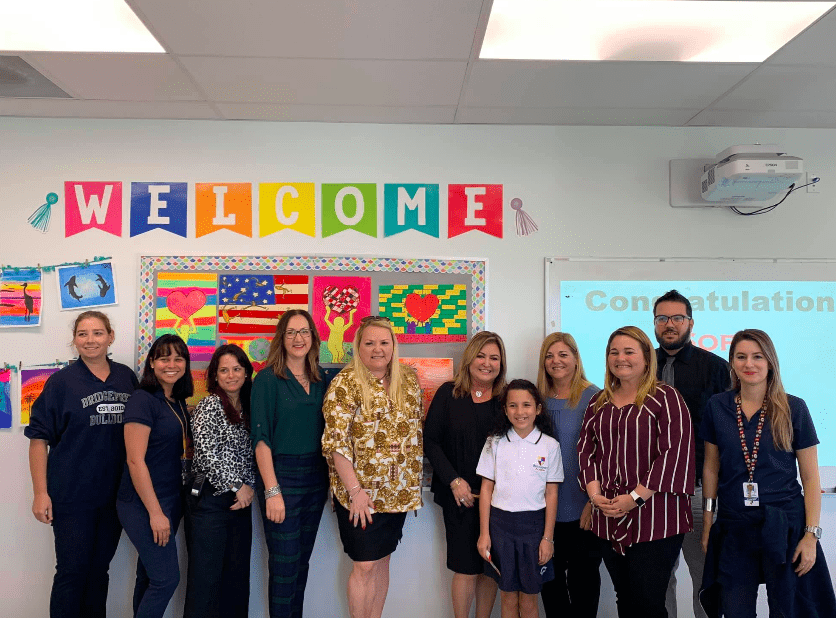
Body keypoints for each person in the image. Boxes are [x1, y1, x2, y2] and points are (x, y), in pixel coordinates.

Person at [699, 329, 836, 617]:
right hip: (735, 525)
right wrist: (708, 523)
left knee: (788, 610)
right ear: (732, 362)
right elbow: (711, 467)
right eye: (741, 357)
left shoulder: (794, 407)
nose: (749, 364)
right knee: (734, 609)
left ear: (770, 362)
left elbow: (811, 479)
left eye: (757, 357)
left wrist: (811, 536)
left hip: (784, 524)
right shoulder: (717, 406)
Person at [25, 311, 138, 618]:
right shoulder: (61, 383)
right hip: (71, 495)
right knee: (72, 572)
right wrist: (40, 493)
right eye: (83, 334)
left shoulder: (126, 378)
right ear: (74, 340)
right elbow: (38, 440)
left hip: (114, 496)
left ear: (110, 337)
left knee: (99, 571)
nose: (90, 340)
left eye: (98, 333)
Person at [578, 326, 694, 618]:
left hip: (656, 518)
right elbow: (586, 450)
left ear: (646, 357)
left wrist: (635, 498)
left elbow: (674, 453)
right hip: (608, 516)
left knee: (648, 603)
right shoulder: (598, 401)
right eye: (614, 352)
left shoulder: (666, 398)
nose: (621, 358)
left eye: (629, 351)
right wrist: (594, 496)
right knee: (625, 600)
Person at [321, 316, 423, 618]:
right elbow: (336, 442)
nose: (377, 349)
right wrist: (355, 492)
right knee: (364, 564)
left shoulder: (409, 380)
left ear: (393, 346)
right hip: (359, 495)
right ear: (358, 347)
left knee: (382, 560)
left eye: (384, 342)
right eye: (369, 343)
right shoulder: (345, 383)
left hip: (398, 492)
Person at [653, 289, 731, 618]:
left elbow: (728, 433)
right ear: (654, 323)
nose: (669, 324)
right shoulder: (640, 366)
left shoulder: (716, 368)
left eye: (677, 318)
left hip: (698, 491)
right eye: (662, 318)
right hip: (652, 495)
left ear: (690, 323)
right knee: (658, 581)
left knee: (705, 580)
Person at [252, 310, 331, 618]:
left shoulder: (322, 378)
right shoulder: (267, 379)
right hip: (281, 476)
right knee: (284, 564)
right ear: (281, 339)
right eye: (291, 332)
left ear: (313, 338)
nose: (298, 338)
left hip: (316, 478)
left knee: (301, 563)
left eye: (304, 332)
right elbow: (261, 439)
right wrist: (272, 490)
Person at [424, 331, 507, 618]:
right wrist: (454, 481)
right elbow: (431, 441)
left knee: (489, 566)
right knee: (465, 568)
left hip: (497, 499)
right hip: (459, 496)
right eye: (481, 356)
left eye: (494, 358)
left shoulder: (506, 400)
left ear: (501, 364)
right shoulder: (448, 393)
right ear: (469, 359)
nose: (487, 363)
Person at [117, 334, 193, 618]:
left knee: (149, 577)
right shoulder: (142, 400)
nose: (171, 364)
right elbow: (135, 460)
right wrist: (155, 513)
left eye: (178, 358)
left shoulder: (176, 401)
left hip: (171, 498)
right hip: (142, 502)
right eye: (164, 358)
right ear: (151, 362)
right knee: (166, 579)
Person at [476, 379, 562, 618]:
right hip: (500, 527)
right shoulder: (495, 442)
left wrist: (547, 538)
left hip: (533, 528)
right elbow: (486, 489)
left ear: (538, 408)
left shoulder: (550, 446)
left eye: (526, 405)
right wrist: (484, 534)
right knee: (507, 596)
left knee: (529, 600)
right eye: (513, 405)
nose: (520, 411)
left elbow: (552, 493)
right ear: (505, 410)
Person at [183, 344, 255, 618]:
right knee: (205, 581)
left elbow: (252, 454)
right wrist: (237, 486)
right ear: (215, 375)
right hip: (210, 502)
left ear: (246, 372)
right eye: (224, 370)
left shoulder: (248, 407)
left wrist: (247, 489)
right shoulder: (210, 405)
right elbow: (206, 454)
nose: (231, 375)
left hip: (240, 502)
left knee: (236, 580)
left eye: (236, 369)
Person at [536, 333, 602, 618]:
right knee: (550, 583)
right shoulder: (535, 399)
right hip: (544, 509)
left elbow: (604, 453)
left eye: (563, 354)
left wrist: (593, 501)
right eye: (550, 356)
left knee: (583, 581)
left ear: (576, 358)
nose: (556, 361)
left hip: (583, 507)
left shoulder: (595, 397)